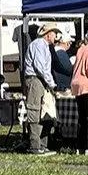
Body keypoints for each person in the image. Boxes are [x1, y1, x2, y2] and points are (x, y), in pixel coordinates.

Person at [23, 23, 60, 156]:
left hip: (40, 80)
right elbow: (40, 67)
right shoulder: (39, 45)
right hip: (35, 79)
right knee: (35, 110)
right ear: (48, 34)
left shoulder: (44, 46)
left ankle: (42, 144)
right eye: (54, 33)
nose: (56, 35)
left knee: (44, 111)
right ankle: (34, 145)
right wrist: (51, 83)